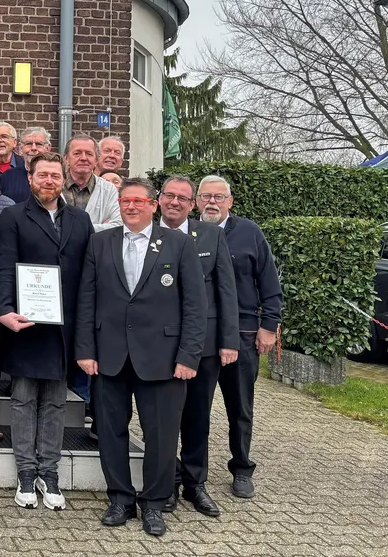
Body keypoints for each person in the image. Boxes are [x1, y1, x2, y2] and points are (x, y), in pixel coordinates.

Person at [75, 178, 206, 537]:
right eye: (125, 201)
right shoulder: (100, 242)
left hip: (163, 359)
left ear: (153, 205)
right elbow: (86, 299)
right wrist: (85, 349)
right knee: (110, 433)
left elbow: (195, 305)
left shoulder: (179, 244)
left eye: (138, 201)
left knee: (161, 437)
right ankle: (120, 499)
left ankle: (154, 504)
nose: (130, 207)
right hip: (109, 356)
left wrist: (189, 356)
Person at [0, 152, 92, 510]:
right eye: (42, 175)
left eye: (54, 175)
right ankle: (25, 471)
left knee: (55, 402)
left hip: (64, 327)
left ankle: (49, 472)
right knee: (23, 400)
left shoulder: (80, 220)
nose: (49, 181)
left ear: (63, 179)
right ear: (30, 178)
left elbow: (88, 276)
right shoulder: (13, 216)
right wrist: (4, 310)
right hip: (26, 323)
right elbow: (4, 267)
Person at [196, 175, 282, 500]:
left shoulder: (249, 232)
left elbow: (269, 283)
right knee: (196, 409)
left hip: (244, 334)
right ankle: (194, 474)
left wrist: (269, 326)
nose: (212, 202)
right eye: (206, 196)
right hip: (202, 336)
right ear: (196, 201)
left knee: (240, 407)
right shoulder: (188, 233)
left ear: (230, 202)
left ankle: (242, 468)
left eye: (219, 197)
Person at [158, 176, 239, 517]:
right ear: (159, 199)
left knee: (197, 416)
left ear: (192, 204)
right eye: (169, 195)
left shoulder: (210, 235)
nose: (175, 202)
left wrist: (229, 340)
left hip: (204, 344)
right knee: (161, 418)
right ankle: (165, 482)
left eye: (183, 198)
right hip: (157, 343)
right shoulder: (145, 233)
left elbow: (226, 291)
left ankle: (195, 484)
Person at [62, 135, 121, 231]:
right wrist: (99, 228)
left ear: (96, 160)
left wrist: (77, 229)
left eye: (89, 154)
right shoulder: (54, 186)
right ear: (66, 159)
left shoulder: (108, 190)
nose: (83, 158)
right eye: (77, 153)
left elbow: (118, 225)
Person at [0, 127, 52, 204]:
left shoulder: (54, 178)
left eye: (39, 144)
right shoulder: (7, 177)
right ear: (21, 148)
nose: (33, 148)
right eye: (28, 144)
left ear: (48, 148)